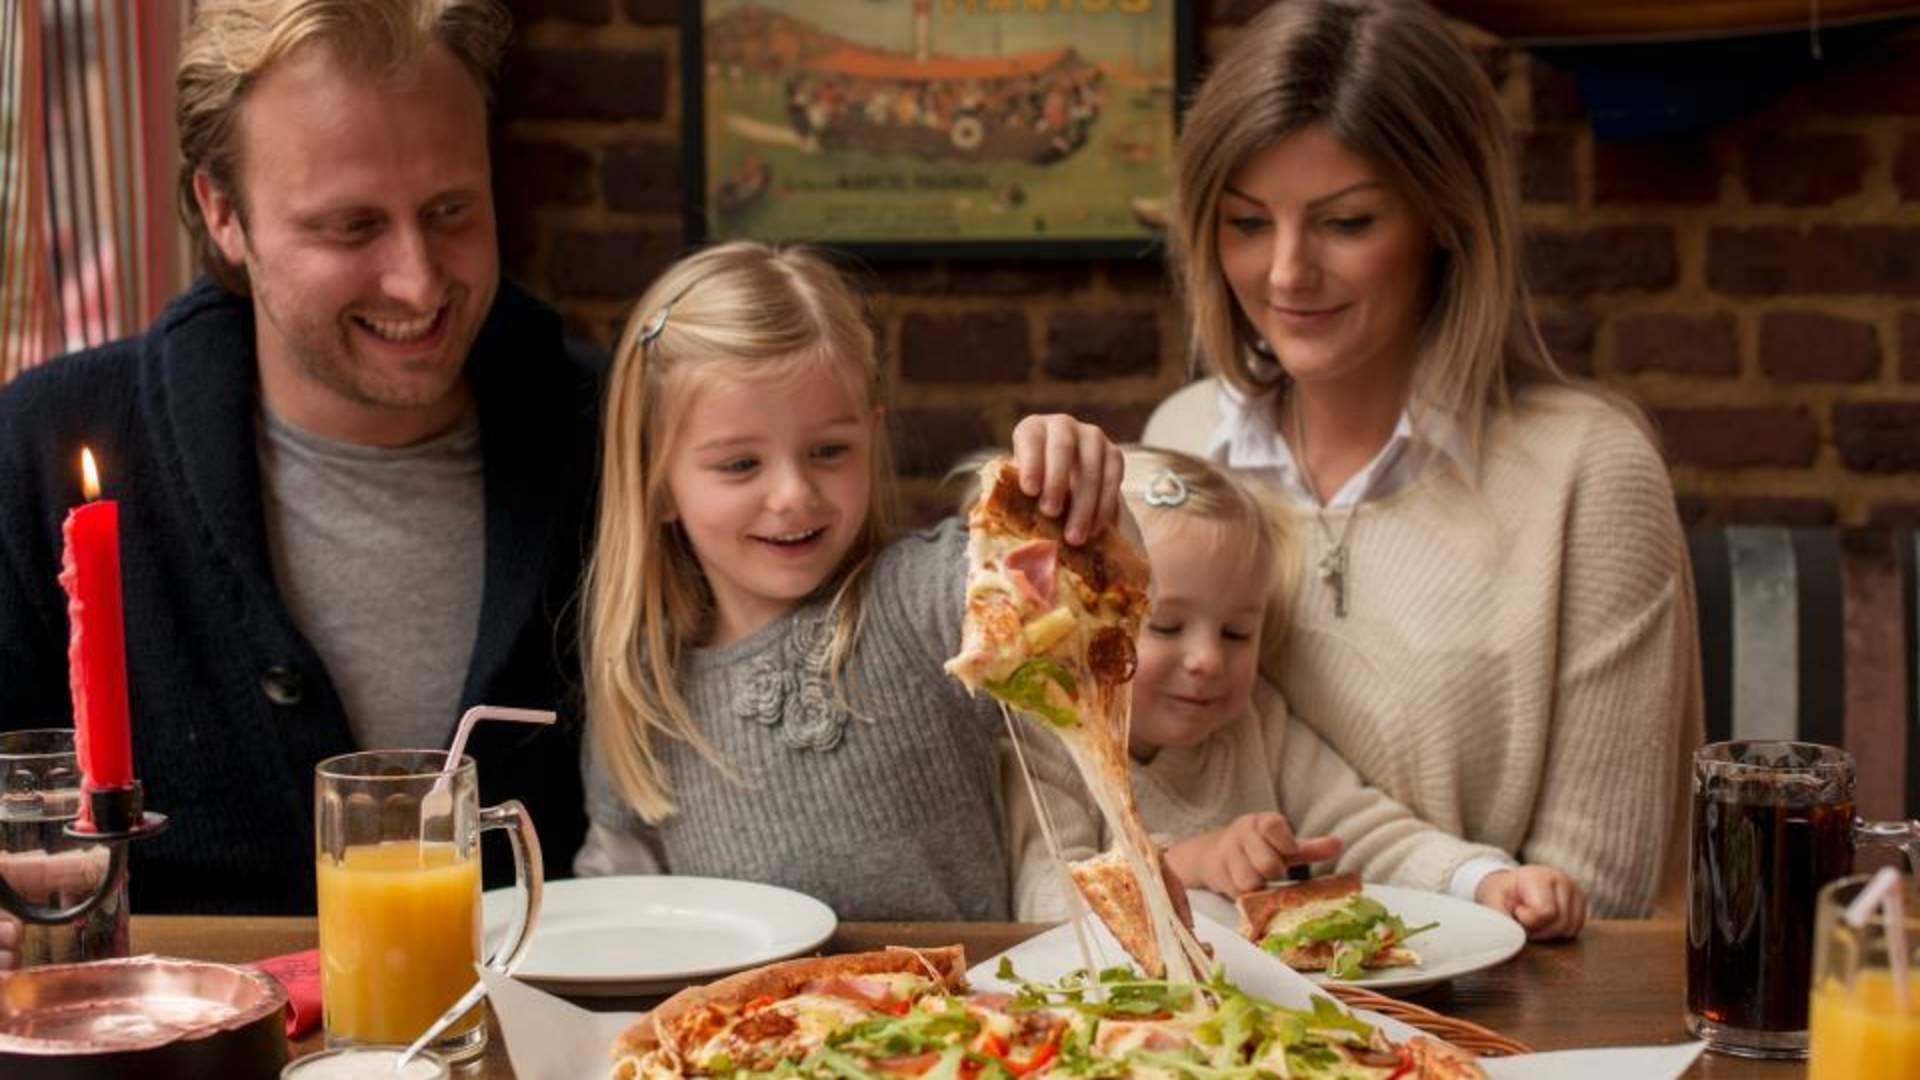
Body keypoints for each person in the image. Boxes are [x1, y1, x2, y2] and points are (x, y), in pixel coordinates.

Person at [0, 0, 599, 915]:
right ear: (222, 213)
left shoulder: (624, 436)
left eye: (451, 211)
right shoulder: (40, 448)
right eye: (352, 227)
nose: (418, 282)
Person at [1143, 0, 1701, 917]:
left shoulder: (1590, 472)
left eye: (1346, 222)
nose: (1285, 273)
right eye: (1247, 223)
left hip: (1498, 1001)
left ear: (1446, 216)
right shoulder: (1179, 441)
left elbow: (1594, 904)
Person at [575, 241, 1125, 921]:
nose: (793, 494)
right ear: (656, 484)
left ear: (872, 436)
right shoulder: (644, 690)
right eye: (741, 465)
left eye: (829, 451)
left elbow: (1080, 605)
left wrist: (1073, 488)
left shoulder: (923, 596)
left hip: (969, 990)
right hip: (742, 996)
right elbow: (619, 908)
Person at [1007, 447, 1588, 939]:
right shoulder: (1050, 738)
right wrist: (1189, 862)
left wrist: (1482, 880)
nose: (1209, 659)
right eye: (1166, 625)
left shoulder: (1253, 723)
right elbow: (1046, 904)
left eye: (1237, 633)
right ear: (1081, 620)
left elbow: (1362, 828)